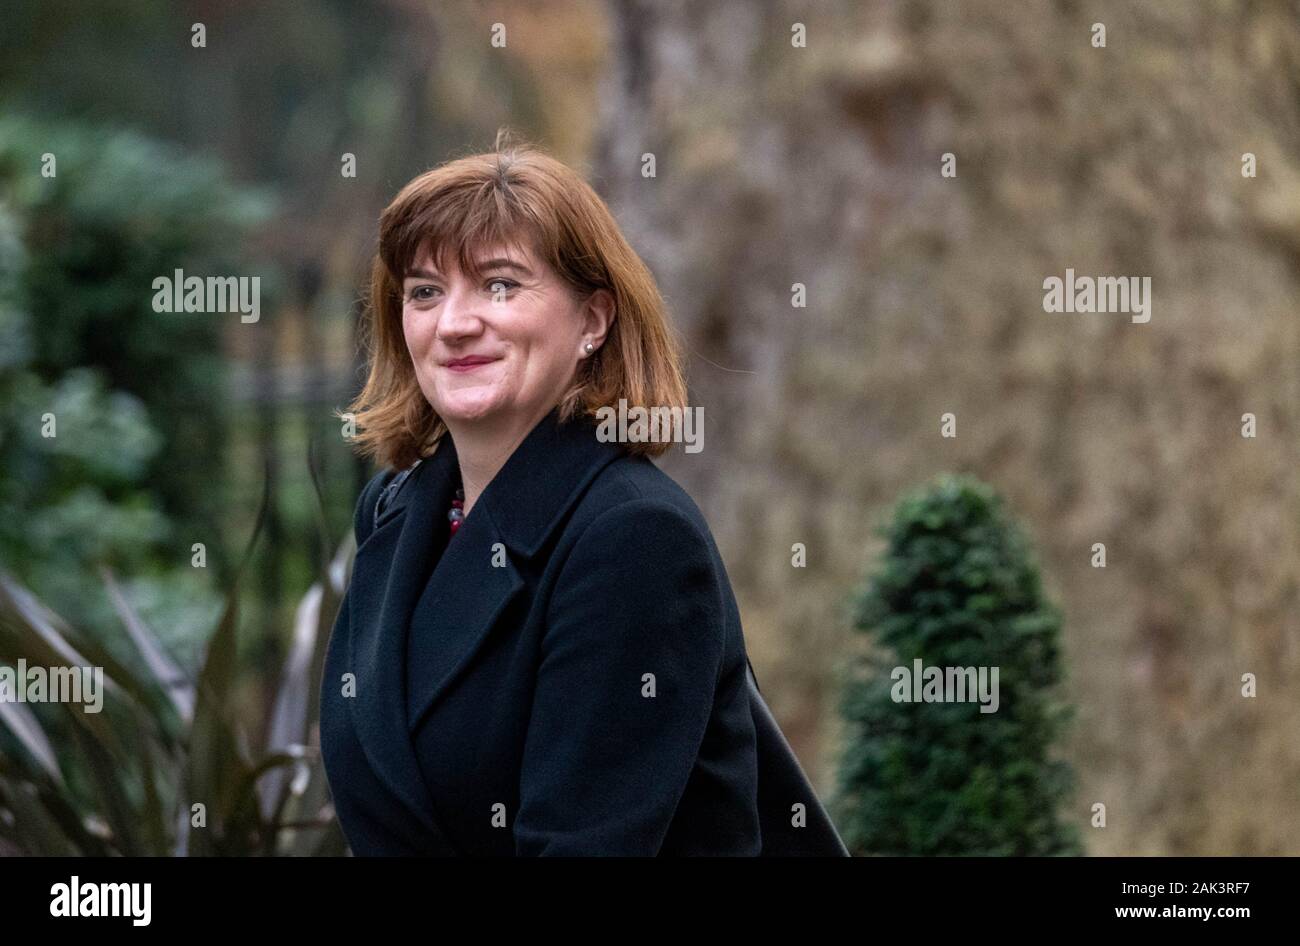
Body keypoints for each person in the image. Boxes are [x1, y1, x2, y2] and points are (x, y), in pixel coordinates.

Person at [320, 133, 815, 855]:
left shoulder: (634, 539)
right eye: (425, 292)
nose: (454, 323)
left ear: (593, 320)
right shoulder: (397, 512)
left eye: (500, 284)